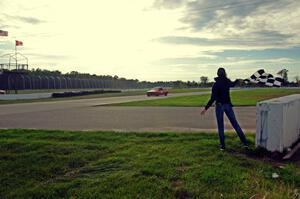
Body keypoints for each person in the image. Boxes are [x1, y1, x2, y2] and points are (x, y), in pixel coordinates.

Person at [201, 67, 248, 150]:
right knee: (235, 124)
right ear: (225, 73)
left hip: (219, 106)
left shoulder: (216, 84)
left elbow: (213, 98)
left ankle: (222, 146)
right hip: (228, 105)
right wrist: (238, 80)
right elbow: (233, 84)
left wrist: (206, 108)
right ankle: (245, 143)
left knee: (221, 126)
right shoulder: (227, 82)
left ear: (217, 74)